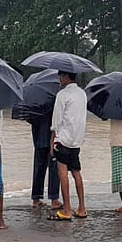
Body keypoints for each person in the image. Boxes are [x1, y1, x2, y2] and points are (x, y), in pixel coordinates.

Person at [48, 71, 88, 221]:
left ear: (65, 77)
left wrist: (52, 141)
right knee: (76, 171)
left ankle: (66, 209)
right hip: (77, 139)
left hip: (63, 139)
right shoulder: (82, 94)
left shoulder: (62, 95)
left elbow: (56, 121)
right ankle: (82, 208)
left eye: (60, 76)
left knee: (63, 173)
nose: (59, 79)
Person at [27, 108, 60, 209]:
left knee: (39, 167)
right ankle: (54, 199)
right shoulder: (53, 99)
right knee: (54, 168)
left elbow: (28, 118)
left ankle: (36, 198)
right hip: (51, 137)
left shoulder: (34, 102)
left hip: (38, 136)